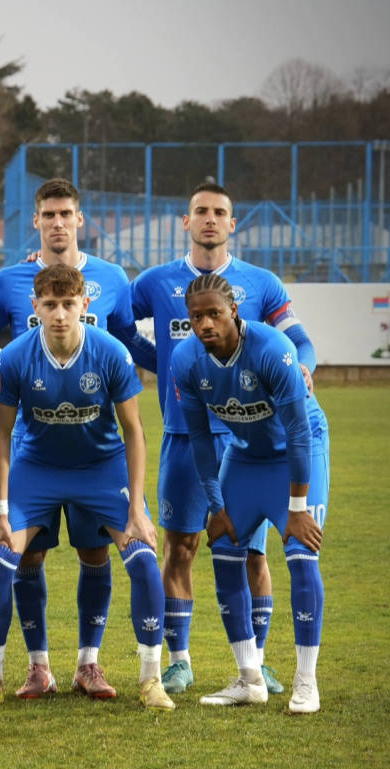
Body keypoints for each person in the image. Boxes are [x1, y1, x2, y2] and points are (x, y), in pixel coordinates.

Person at [0, 178, 156, 699]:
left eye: (67, 212)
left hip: (98, 459)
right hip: (36, 456)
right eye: (50, 214)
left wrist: (181, 367)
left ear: (79, 219)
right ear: (37, 221)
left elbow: (129, 341)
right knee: (22, 557)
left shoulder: (112, 280)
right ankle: (31, 668)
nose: (59, 221)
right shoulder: (7, 286)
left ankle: (97, 665)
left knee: (99, 555)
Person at [130, 182, 317, 695]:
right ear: (184, 222)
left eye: (220, 212)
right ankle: (180, 659)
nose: (209, 219)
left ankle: (254, 664)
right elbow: (117, 326)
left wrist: (303, 367)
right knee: (181, 546)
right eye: (200, 212)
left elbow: (298, 339)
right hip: (184, 434)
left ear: (233, 224)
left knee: (251, 552)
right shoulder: (153, 282)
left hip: (247, 441)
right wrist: (161, 365)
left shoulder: (261, 283)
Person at [170, 273, 327, 713]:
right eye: (196, 316)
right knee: (224, 548)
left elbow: (297, 430)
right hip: (244, 456)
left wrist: (297, 507)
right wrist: (215, 507)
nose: (205, 324)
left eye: (214, 314)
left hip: (299, 453)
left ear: (234, 312)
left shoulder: (273, 349)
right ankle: (249, 677)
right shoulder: (186, 362)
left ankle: (306, 681)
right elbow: (200, 438)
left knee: (301, 552)